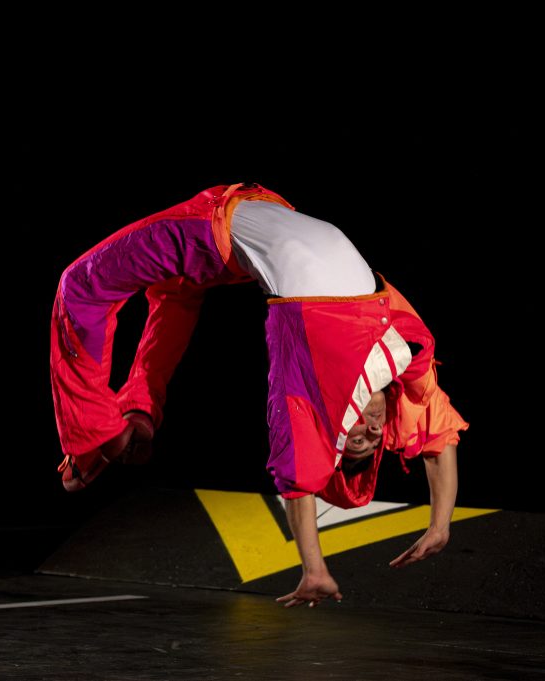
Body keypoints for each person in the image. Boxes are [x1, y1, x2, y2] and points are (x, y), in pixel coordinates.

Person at [49, 183, 469, 608]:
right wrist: (440, 526)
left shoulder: (312, 381)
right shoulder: (402, 353)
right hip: (257, 231)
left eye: (355, 439)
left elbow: (299, 476)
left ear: (335, 435)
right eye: (374, 440)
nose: (372, 431)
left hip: (221, 227)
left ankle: (93, 436)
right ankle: (139, 405)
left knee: (79, 286)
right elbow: (439, 434)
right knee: (178, 289)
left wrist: (315, 570)